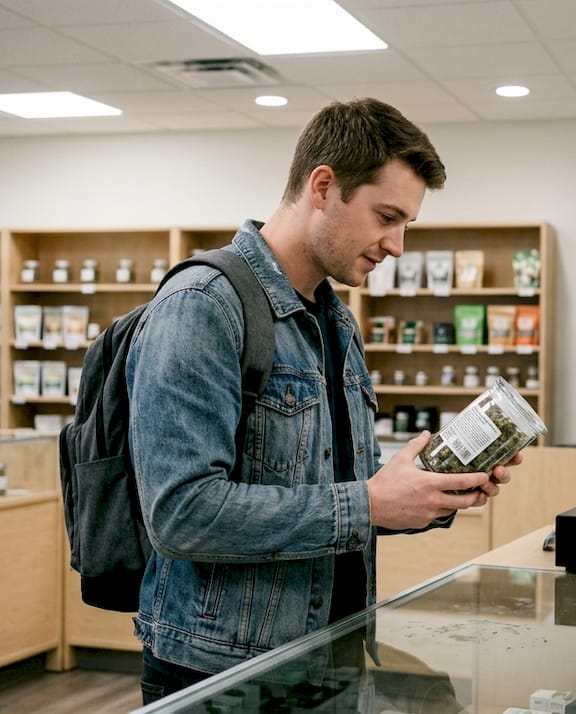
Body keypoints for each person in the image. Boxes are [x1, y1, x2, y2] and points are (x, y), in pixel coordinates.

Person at [125, 98, 519, 704]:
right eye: (386, 216)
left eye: (406, 225)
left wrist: (427, 490)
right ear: (323, 186)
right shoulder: (203, 306)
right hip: (223, 677)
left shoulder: (334, 320)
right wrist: (368, 502)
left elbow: (336, 488)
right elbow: (181, 513)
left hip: (329, 658)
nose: (396, 246)